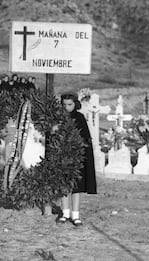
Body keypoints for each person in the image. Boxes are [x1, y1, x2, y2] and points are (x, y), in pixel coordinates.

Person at [57, 92, 97, 226]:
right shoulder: (59, 117)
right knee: (64, 185)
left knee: (76, 187)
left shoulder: (79, 117)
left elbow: (85, 136)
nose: (67, 107)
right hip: (62, 155)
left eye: (70, 104)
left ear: (75, 104)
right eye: (64, 105)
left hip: (76, 157)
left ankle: (75, 214)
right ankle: (65, 213)